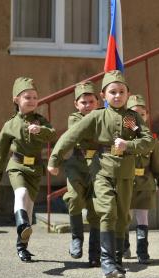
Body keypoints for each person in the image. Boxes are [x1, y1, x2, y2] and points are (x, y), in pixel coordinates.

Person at [47, 70, 154, 278]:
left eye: (121, 91)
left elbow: (148, 140)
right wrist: (54, 159)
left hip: (125, 172)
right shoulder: (97, 116)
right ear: (103, 96)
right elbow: (71, 135)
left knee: (123, 216)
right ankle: (106, 262)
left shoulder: (130, 120)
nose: (117, 95)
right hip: (101, 170)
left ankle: (117, 262)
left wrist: (129, 144)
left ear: (127, 93)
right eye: (112, 92)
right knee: (108, 210)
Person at [0, 77, 56, 262]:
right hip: (16, 166)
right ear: (16, 99)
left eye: (35, 97)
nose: (33, 100)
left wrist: (40, 130)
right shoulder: (9, 125)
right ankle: (22, 224)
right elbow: (1, 152)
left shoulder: (41, 121)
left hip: (34, 168)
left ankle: (22, 247)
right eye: (28, 97)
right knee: (21, 194)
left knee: (29, 207)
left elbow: (52, 134)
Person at [124, 94, 159, 264]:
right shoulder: (123, 139)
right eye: (134, 114)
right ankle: (124, 246)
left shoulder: (151, 139)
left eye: (142, 114)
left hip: (145, 184)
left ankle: (142, 251)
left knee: (143, 218)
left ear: (147, 115)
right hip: (126, 183)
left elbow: (158, 164)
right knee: (125, 217)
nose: (138, 118)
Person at [62, 81, 101, 267]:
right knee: (74, 198)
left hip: (98, 165)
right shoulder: (74, 118)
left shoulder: (104, 116)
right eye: (83, 102)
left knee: (96, 208)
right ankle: (76, 238)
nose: (87, 105)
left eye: (91, 102)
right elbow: (83, 134)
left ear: (98, 102)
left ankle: (95, 253)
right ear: (76, 105)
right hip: (76, 165)